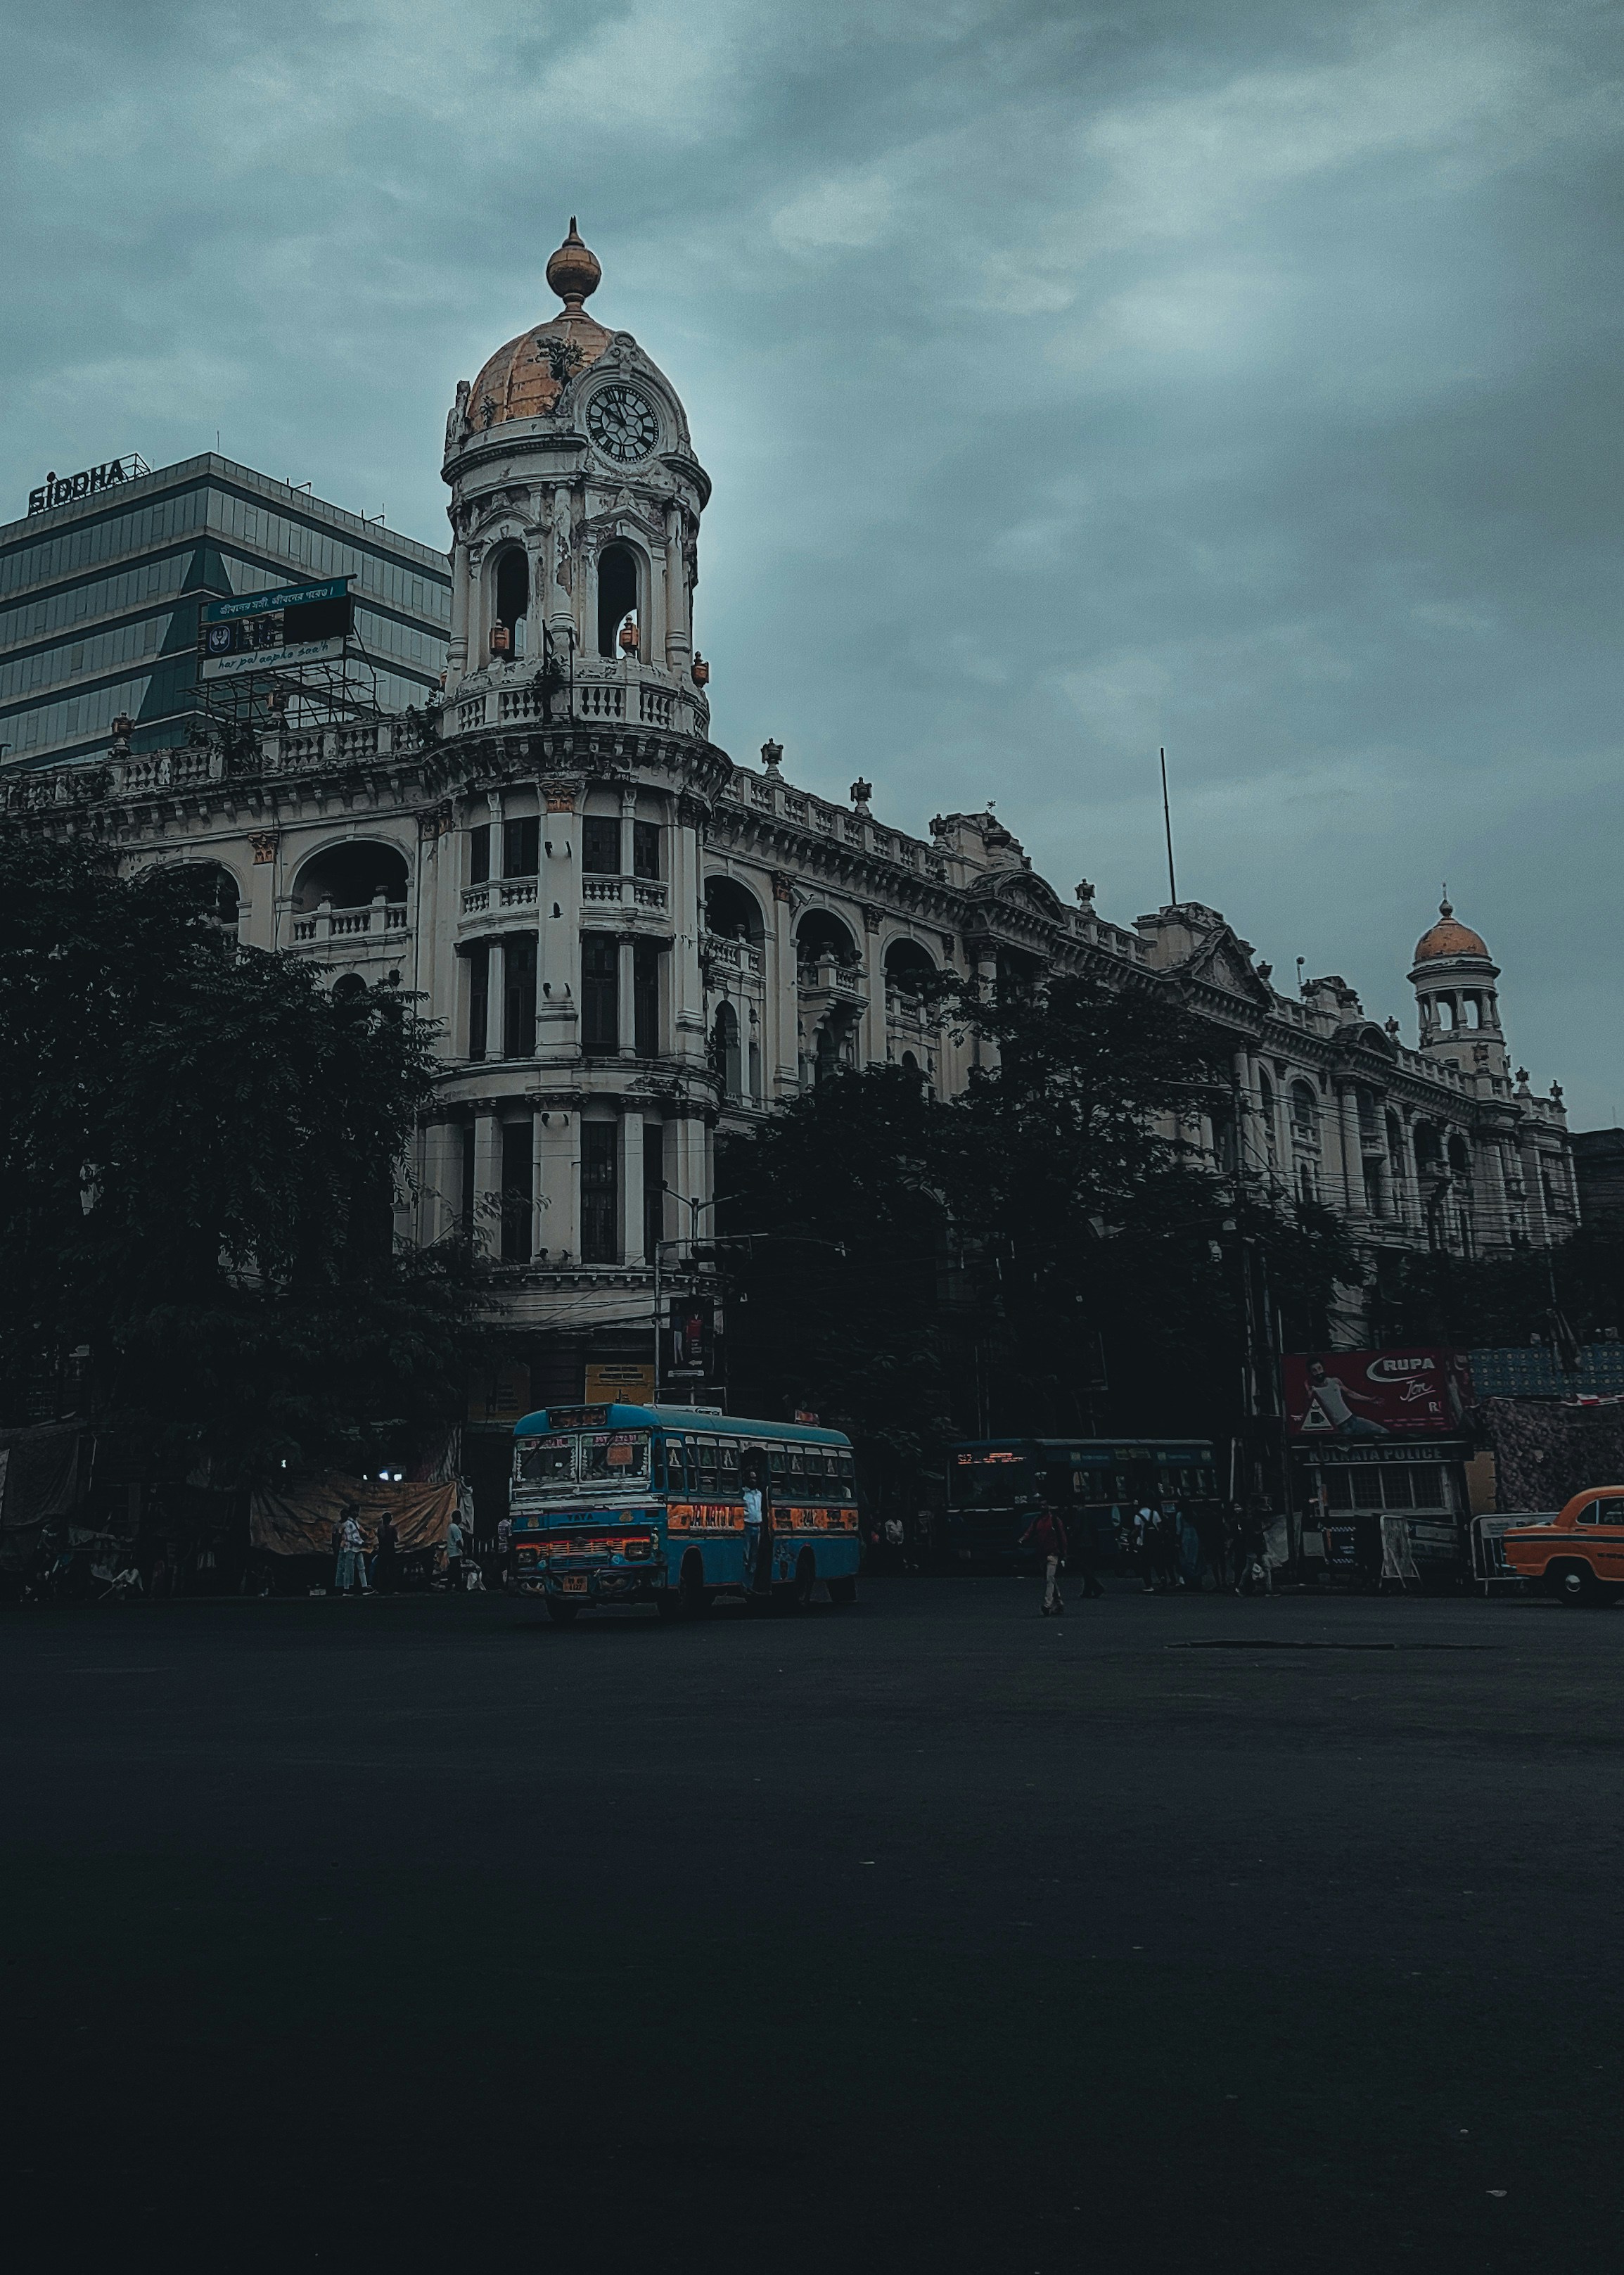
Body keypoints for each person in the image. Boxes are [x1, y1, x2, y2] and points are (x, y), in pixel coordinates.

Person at [1021, 1502, 1068, 1616]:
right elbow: (1030, 1532)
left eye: (1045, 1505)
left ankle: (1048, 1604)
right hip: (1042, 1554)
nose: (1043, 1507)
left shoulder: (1055, 1521)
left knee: (1049, 1579)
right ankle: (1059, 1603)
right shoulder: (1038, 1520)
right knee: (1050, 1579)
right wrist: (1022, 1539)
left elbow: (1062, 1537)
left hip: (1053, 1553)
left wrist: (1064, 1555)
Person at [335, 1504, 371, 1595]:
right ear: (351, 1512)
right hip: (351, 1548)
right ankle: (347, 1588)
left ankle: (364, 1586)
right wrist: (362, 1543)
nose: (356, 1513)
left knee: (361, 1567)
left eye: (357, 1511)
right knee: (349, 1569)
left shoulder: (355, 1523)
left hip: (356, 1548)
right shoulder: (348, 1524)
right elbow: (351, 1538)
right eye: (354, 1511)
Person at [373, 1510, 399, 1595]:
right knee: (392, 1571)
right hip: (391, 1551)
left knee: (381, 1571)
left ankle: (381, 1588)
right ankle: (392, 1589)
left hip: (382, 1551)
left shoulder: (380, 1528)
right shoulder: (392, 1528)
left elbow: (380, 1538)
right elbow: (396, 1539)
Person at [445, 1510, 466, 1591]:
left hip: (452, 1552)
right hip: (455, 1552)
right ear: (458, 1518)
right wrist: (463, 1550)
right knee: (456, 1570)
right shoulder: (454, 1527)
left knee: (455, 1570)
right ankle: (457, 1586)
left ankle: (455, 1586)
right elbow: (458, 1541)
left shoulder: (451, 1527)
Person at [494, 1511, 512, 1591]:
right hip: (506, 1547)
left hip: (500, 1547)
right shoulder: (508, 1524)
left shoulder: (500, 1524)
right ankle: (506, 1583)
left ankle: (501, 1582)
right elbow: (509, 1536)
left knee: (502, 1566)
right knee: (508, 1565)